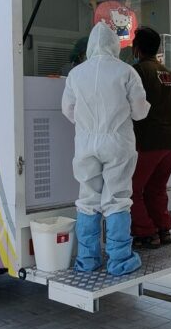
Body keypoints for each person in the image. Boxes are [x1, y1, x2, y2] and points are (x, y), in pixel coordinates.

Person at [62, 22, 150, 276]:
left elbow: (68, 109)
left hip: (86, 141)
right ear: (115, 45)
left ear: (90, 45)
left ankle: (88, 260)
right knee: (117, 199)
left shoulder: (76, 74)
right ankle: (119, 260)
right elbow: (140, 111)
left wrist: (88, 126)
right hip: (118, 141)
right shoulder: (126, 72)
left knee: (88, 199)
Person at [130, 27, 171, 249]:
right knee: (157, 187)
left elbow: (134, 107)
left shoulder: (137, 72)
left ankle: (145, 232)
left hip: (151, 140)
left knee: (131, 190)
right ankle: (163, 229)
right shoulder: (167, 73)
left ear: (137, 48)